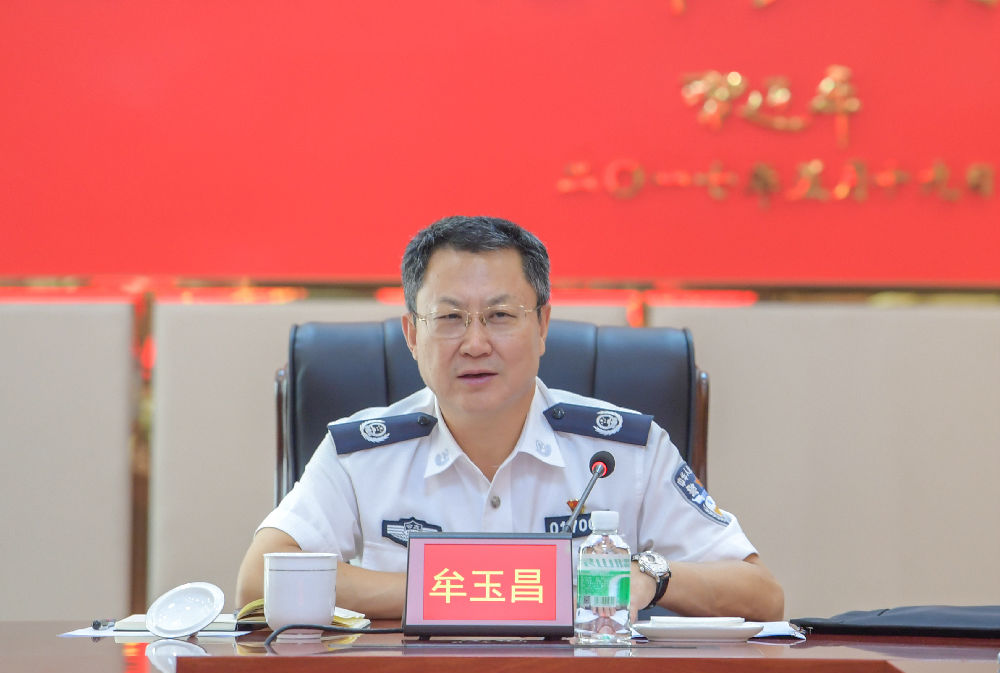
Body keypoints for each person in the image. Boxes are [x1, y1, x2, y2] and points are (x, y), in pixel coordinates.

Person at [236, 215, 784, 621]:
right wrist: (460, 592)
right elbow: (258, 581)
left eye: (500, 315)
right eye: (450, 317)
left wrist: (648, 576)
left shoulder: (625, 450)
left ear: (542, 326)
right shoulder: (361, 452)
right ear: (412, 334)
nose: (475, 343)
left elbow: (761, 594)